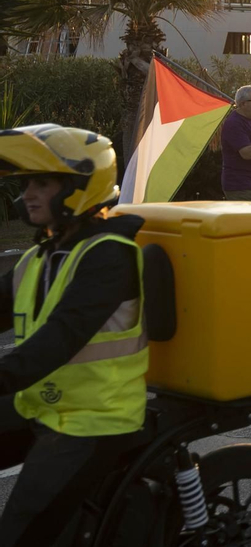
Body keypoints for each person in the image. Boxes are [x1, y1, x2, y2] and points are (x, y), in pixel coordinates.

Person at [0, 125, 149, 541]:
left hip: (93, 418)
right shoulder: (41, 254)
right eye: (26, 185)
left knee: (19, 532)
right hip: (42, 402)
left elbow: (60, 339)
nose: (28, 195)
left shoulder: (109, 256)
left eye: (42, 184)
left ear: (79, 187)